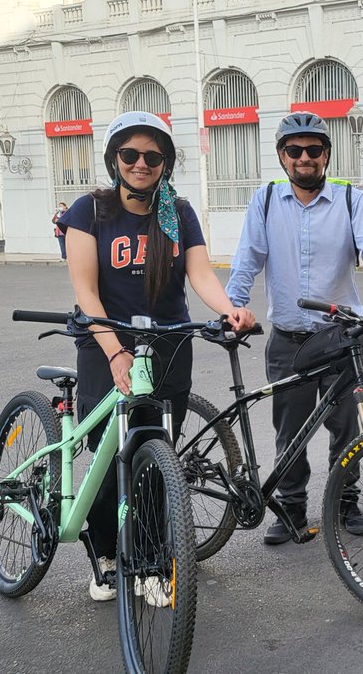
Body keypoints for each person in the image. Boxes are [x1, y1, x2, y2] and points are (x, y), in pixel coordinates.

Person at [62, 112, 255, 601]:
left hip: (167, 343)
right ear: (115, 159)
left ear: (165, 163)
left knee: (155, 456)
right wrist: (114, 353)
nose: (141, 164)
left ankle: (149, 561)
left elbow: (201, 276)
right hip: (105, 341)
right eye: (131, 155)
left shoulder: (178, 212)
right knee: (108, 458)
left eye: (152, 156)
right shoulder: (89, 211)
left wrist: (231, 310)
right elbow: (86, 291)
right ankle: (106, 551)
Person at [226, 111, 363, 544]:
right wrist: (234, 306)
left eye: (313, 150)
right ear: (282, 156)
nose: (304, 158)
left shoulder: (351, 201)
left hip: (339, 339)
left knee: (348, 428)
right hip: (288, 340)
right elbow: (247, 261)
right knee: (290, 432)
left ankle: (345, 502)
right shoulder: (264, 201)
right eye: (294, 150)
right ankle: (292, 510)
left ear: (326, 155)